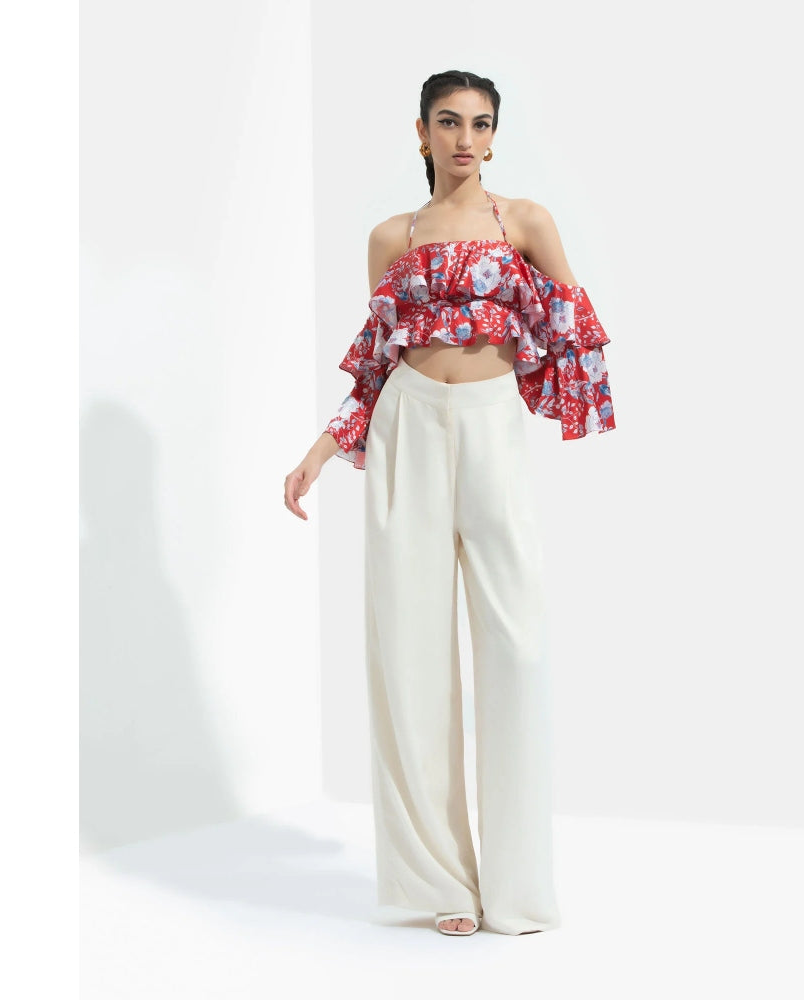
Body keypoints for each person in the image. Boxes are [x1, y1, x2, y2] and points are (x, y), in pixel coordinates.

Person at [284, 70, 616, 936]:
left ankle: (516, 886)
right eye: (449, 121)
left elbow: (574, 322)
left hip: (490, 421)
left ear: (495, 137)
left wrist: (559, 384)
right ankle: (442, 883)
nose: (466, 138)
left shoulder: (525, 220)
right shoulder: (390, 236)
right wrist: (322, 450)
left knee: (518, 647)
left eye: (481, 123)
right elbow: (373, 358)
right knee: (410, 650)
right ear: (422, 132)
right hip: (407, 423)